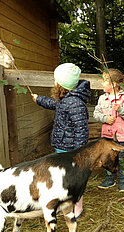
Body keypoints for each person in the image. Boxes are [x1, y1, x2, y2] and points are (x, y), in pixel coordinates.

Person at [31, 63, 90, 219]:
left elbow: (82, 130)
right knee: (63, 178)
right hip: (62, 146)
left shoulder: (75, 103)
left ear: (61, 84)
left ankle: (77, 207)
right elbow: (53, 104)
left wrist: (78, 154)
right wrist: (39, 100)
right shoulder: (66, 99)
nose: (54, 82)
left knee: (74, 179)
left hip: (71, 150)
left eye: (55, 80)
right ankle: (65, 203)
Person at [93, 68, 124, 192]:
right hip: (106, 136)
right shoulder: (102, 99)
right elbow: (96, 113)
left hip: (120, 136)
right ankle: (109, 180)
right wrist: (105, 118)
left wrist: (120, 109)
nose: (102, 84)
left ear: (114, 84)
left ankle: (122, 182)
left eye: (105, 81)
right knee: (107, 158)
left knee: (120, 159)